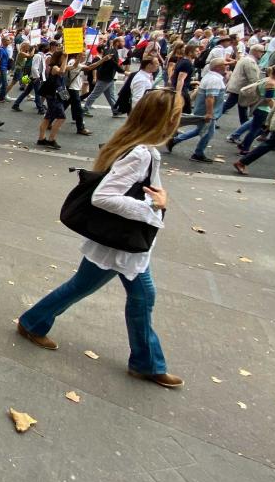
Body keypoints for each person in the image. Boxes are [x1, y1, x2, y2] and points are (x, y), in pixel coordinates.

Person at [17, 89, 184, 388]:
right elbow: (103, 197)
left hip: (124, 243)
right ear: (167, 120)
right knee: (118, 293)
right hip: (120, 243)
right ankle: (146, 363)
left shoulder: (139, 148)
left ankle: (146, 362)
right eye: (177, 115)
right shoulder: (140, 153)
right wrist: (153, 207)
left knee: (135, 296)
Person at [166, 58, 226, 164]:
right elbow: (210, 97)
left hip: (204, 111)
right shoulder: (214, 80)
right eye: (224, 65)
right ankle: (198, 154)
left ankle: (175, 140)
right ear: (218, 67)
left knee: (200, 130)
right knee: (208, 133)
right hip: (207, 112)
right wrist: (209, 113)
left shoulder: (211, 77)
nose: (226, 67)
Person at [233, 65, 275, 180]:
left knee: (262, 136)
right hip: (266, 112)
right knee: (256, 131)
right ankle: (244, 151)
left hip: (270, 115)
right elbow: (269, 99)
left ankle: (243, 155)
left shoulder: (273, 82)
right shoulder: (271, 83)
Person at [35, 47, 69, 149]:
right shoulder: (54, 67)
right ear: (59, 58)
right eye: (62, 57)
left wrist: (77, 58)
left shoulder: (59, 65)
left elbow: (73, 67)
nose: (64, 59)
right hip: (53, 96)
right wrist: (65, 59)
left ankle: (41, 139)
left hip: (57, 94)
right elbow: (62, 71)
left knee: (48, 117)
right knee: (61, 118)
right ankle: (51, 139)